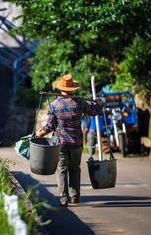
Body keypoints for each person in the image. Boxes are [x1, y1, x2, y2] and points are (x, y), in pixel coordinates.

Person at [36, 74, 103, 207]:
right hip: (76, 142)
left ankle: (63, 199)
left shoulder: (55, 105)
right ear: (73, 89)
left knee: (61, 169)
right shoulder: (80, 102)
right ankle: (75, 196)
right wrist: (99, 103)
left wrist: (40, 134)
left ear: (61, 89)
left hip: (60, 143)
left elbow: (50, 126)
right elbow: (94, 111)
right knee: (74, 168)